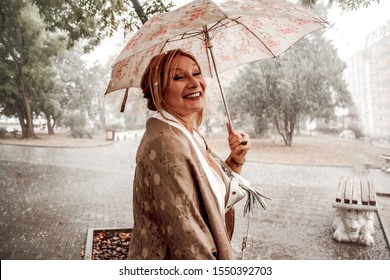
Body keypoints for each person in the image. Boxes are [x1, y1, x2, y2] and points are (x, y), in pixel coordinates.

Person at [128, 49, 250, 260]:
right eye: (178, 77)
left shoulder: (188, 135)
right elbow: (188, 240)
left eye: (197, 73)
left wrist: (235, 160)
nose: (195, 83)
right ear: (159, 91)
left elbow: (207, 196)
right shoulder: (165, 144)